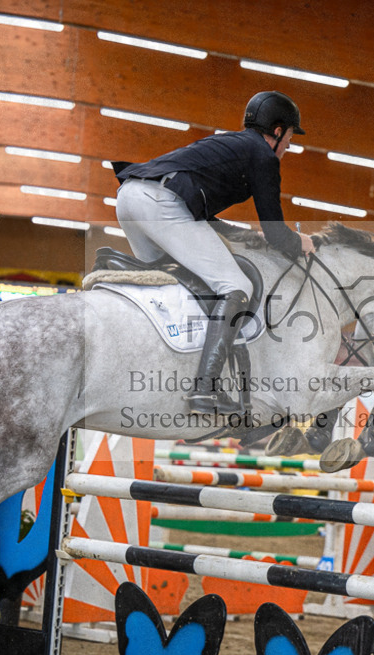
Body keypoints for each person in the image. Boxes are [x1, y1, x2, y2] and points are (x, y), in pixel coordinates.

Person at [114, 91, 315, 417]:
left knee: (166, 288)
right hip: (161, 204)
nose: (289, 147)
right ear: (277, 131)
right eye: (290, 138)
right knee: (237, 287)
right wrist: (300, 243)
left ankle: (157, 362)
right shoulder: (263, 157)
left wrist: (248, 237)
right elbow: (278, 233)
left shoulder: (231, 145)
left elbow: (203, 218)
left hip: (131, 196)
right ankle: (204, 388)